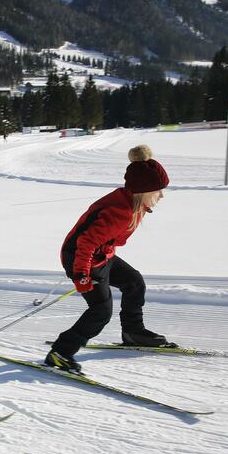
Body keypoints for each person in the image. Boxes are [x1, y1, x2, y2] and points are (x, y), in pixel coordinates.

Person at [46, 145, 172, 374]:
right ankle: (60, 353)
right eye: (158, 190)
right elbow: (86, 243)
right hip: (81, 259)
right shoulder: (120, 213)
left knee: (134, 282)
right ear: (143, 190)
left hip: (101, 255)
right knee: (101, 311)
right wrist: (82, 276)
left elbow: (100, 242)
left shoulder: (134, 202)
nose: (161, 195)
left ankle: (133, 333)